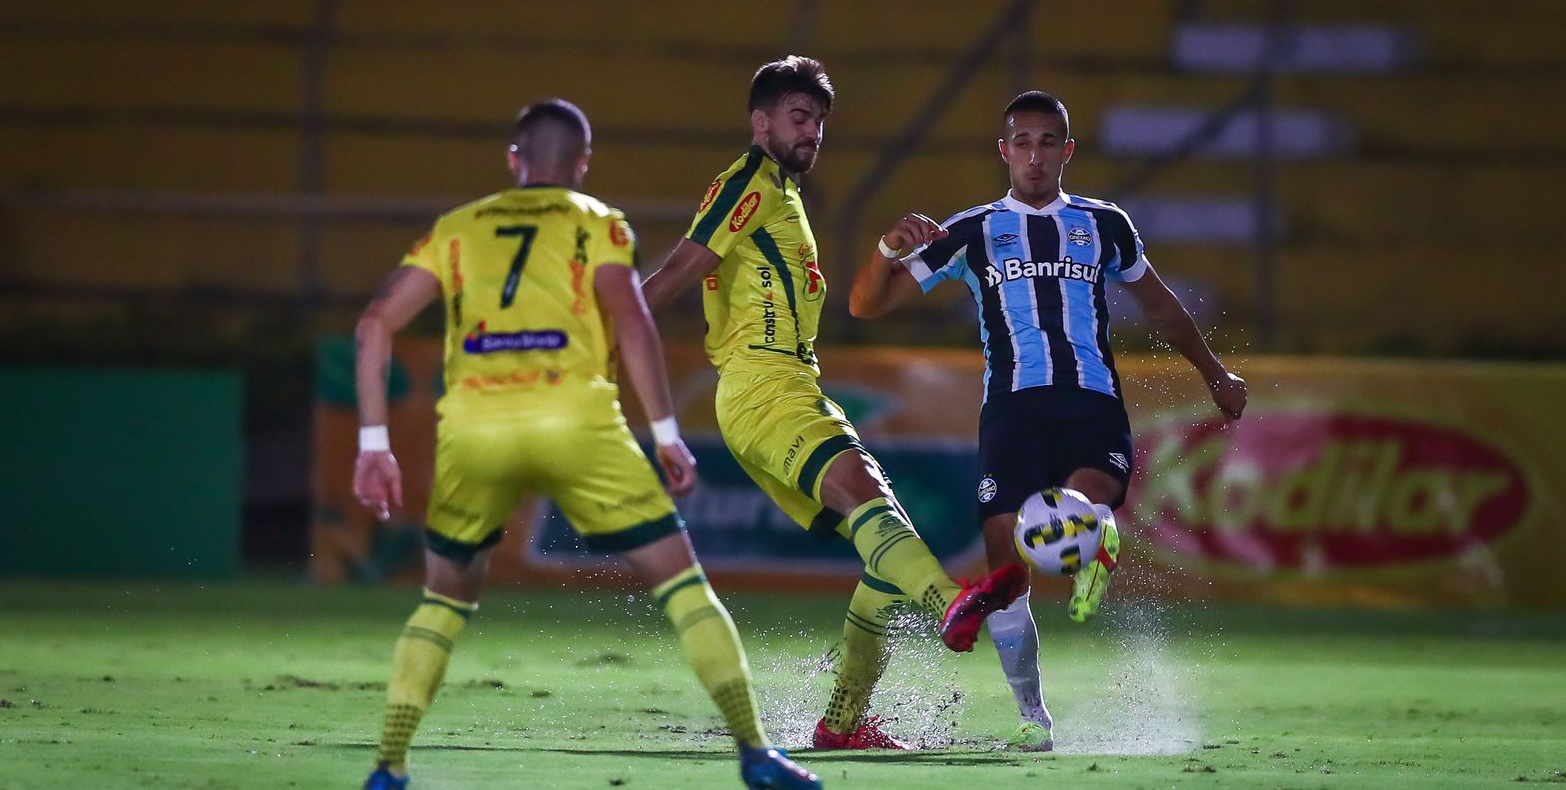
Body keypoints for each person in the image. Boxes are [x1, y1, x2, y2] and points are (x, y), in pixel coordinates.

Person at [351, 99, 821, 790]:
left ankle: (389, 766)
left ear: (514, 161)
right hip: (577, 421)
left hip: (476, 429)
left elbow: (373, 324)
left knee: (445, 598)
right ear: (582, 164)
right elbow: (631, 320)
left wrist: (373, 442)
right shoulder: (597, 222)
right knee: (683, 583)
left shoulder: (457, 229)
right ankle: (755, 754)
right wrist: (665, 434)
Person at [641, 56, 1027, 752]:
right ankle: (949, 603)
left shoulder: (785, 197)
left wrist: (885, 247)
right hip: (763, 385)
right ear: (760, 122)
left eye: (818, 120)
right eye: (798, 116)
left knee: (885, 543)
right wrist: (608, 336)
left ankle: (842, 723)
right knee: (863, 489)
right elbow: (677, 272)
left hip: (789, 385)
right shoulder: (747, 185)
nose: (812, 131)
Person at [847, 90, 1248, 752]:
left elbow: (1162, 306)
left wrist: (1215, 374)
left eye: (1047, 141)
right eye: (1022, 142)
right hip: (1011, 411)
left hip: (1089, 400)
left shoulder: (1103, 224)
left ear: (1068, 150)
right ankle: (1033, 716)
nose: (1035, 155)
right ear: (1004, 152)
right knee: (1007, 568)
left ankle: (1094, 533)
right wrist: (887, 247)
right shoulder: (970, 232)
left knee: (1079, 502)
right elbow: (866, 305)